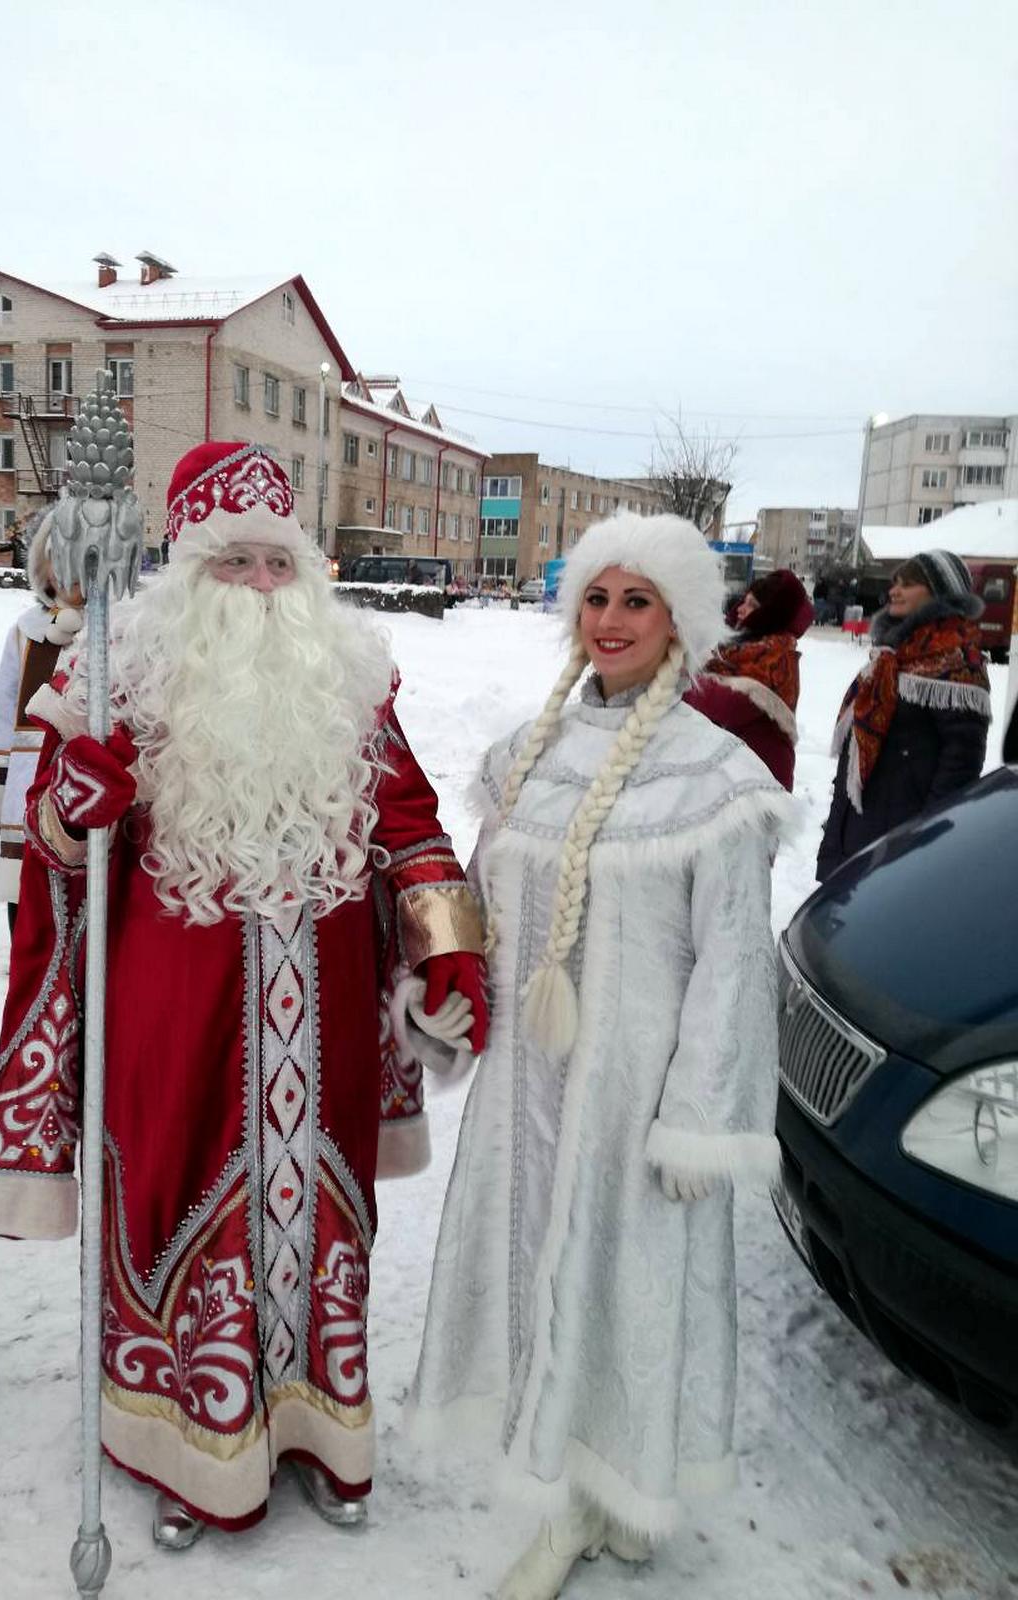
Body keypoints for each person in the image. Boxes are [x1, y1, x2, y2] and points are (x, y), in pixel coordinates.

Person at [0, 441, 488, 1546]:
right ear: (190, 570)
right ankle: (186, 1445)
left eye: (275, 563)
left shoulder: (352, 683)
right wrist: (76, 798)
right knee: (172, 1207)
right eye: (234, 561)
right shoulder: (114, 681)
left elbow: (410, 823)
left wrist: (446, 943)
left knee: (324, 1214)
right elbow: (51, 850)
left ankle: (317, 1429)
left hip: (328, 1015)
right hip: (175, 1014)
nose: (258, 583)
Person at [409, 513, 790, 1600]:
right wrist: (437, 987)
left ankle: (609, 1488)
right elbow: (476, 906)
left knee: (630, 1283)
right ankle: (575, 1493)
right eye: (597, 598)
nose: (613, 620)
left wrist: (698, 1113)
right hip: (529, 1087)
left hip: (635, 1094)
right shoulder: (525, 758)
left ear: (679, 622)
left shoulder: (715, 774)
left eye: (638, 600)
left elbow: (731, 964)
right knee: (541, 1271)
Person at [817, 550, 991, 883]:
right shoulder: (889, 655)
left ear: (941, 592)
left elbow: (960, 767)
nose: (894, 591)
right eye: (895, 582)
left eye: (908, 584)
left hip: (902, 842)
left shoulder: (958, 663)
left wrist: (923, 841)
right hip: (857, 828)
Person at [0, 508, 84, 932]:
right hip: (29, 783)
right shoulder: (27, 631)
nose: (71, 580)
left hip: (89, 788)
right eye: (60, 564)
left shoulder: (118, 631)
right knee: (28, 899)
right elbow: (2, 710)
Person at [685, 567, 813, 789]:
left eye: (753, 605)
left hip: (762, 777)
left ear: (771, 614)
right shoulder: (732, 650)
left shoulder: (777, 655)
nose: (742, 609)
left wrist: (681, 683)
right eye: (744, 601)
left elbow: (730, 706)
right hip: (731, 773)